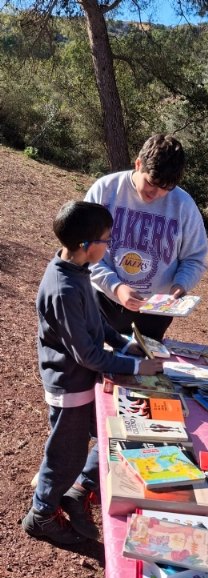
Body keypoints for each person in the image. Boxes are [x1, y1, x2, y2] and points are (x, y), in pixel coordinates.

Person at [22, 201, 164, 545]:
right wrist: (135, 366)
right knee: (64, 457)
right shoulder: (63, 288)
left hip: (81, 381)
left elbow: (95, 324)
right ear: (87, 245)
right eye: (107, 240)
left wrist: (126, 342)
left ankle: (75, 492)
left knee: (105, 434)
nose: (110, 246)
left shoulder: (76, 271)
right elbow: (86, 353)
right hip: (70, 386)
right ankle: (41, 515)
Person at [84, 133, 208, 342]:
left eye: (166, 189)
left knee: (142, 369)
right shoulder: (105, 190)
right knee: (96, 363)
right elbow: (83, 250)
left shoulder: (184, 205)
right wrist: (116, 286)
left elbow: (195, 258)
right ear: (138, 163)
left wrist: (181, 284)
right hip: (103, 301)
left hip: (155, 312)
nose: (157, 194)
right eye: (152, 183)